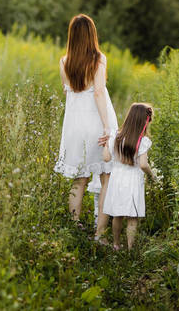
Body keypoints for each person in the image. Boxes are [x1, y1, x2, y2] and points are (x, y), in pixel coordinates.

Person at [54, 14, 118, 228]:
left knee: (79, 179)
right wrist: (107, 126)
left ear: (72, 35)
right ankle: (99, 234)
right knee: (105, 176)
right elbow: (98, 92)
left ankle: (74, 228)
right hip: (95, 123)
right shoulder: (98, 59)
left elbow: (68, 93)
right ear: (92, 35)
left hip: (74, 126)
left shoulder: (64, 62)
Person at [100, 103, 155, 250]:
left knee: (117, 215)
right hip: (133, 180)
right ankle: (130, 249)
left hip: (117, 178)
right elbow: (143, 164)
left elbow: (106, 158)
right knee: (132, 217)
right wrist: (152, 175)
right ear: (144, 121)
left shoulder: (115, 136)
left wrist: (106, 145)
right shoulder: (142, 141)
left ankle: (116, 244)